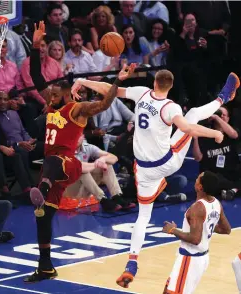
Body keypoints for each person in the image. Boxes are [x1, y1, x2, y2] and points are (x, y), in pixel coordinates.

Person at [72, 68, 240, 288]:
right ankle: (223, 97)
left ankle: (131, 264)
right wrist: (216, 133)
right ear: (170, 87)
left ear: (154, 84)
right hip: (166, 162)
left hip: (142, 169)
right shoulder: (171, 107)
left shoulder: (141, 93)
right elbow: (188, 127)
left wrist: (82, 80)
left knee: (143, 216)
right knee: (193, 115)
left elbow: (108, 90)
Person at [24, 21, 136, 283]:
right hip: (53, 169)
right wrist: (36, 44)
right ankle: (46, 266)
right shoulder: (52, 108)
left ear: (65, 93)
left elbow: (107, 102)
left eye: (53, 92)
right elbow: (35, 76)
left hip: (67, 164)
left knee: (51, 160)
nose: (48, 94)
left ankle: (41, 188)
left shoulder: (77, 109)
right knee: (43, 217)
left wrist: (116, 81)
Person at [162, 171, 231, 293]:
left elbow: (195, 239)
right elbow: (226, 229)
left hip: (190, 259)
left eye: (198, 178)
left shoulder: (197, 208)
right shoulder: (215, 203)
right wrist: (205, 225)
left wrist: (172, 230)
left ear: (200, 187)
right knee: (167, 290)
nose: (196, 179)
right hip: (199, 258)